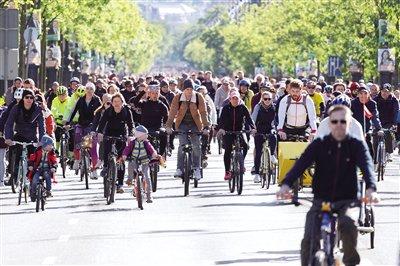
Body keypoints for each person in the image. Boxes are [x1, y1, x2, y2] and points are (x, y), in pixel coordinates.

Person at [277, 105, 379, 266]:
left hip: (348, 201)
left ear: (349, 123)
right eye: (335, 121)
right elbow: (301, 164)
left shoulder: (356, 145)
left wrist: (371, 189)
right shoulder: (319, 144)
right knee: (309, 240)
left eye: (343, 121)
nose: (339, 124)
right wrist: (286, 185)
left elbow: (367, 166)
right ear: (329, 123)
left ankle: (351, 262)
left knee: (348, 224)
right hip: (321, 201)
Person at [165, 79, 210, 180]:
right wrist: (168, 126)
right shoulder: (178, 98)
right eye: (187, 89)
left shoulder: (199, 97)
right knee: (182, 144)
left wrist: (206, 126)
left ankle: (196, 168)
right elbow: (172, 113)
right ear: (183, 90)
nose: (189, 91)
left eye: (191, 89)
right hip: (182, 123)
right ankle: (179, 169)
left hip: (195, 123)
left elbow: (203, 112)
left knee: (196, 145)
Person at [4, 89, 45, 183]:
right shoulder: (16, 108)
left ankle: (34, 180)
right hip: (19, 136)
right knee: (14, 153)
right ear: (23, 98)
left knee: (34, 159)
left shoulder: (38, 109)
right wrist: (8, 138)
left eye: (31, 97)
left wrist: (41, 140)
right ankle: (13, 176)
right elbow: (9, 124)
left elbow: (42, 126)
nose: (29, 99)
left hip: (32, 138)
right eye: (27, 97)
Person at [97, 93, 134, 193]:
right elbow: (102, 123)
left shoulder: (126, 111)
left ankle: (120, 184)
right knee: (107, 148)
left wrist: (130, 135)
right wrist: (100, 133)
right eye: (114, 102)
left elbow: (131, 124)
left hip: (122, 134)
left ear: (122, 102)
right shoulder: (108, 111)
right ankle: (105, 167)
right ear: (112, 103)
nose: (116, 104)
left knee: (121, 160)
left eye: (118, 101)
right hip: (109, 132)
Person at [217, 90, 256, 180]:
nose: (235, 100)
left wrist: (253, 128)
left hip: (239, 131)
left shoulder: (243, 107)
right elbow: (221, 120)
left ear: (239, 99)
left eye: (236, 98)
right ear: (230, 99)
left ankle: (241, 162)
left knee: (246, 146)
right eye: (233, 98)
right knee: (228, 149)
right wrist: (221, 128)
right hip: (228, 131)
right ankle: (227, 171)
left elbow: (249, 119)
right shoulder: (226, 108)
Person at [66, 82, 101, 178]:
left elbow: (101, 112)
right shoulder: (81, 100)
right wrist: (68, 122)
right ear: (85, 90)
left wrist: (99, 126)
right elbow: (73, 111)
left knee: (92, 148)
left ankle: (94, 170)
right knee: (77, 138)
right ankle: (77, 160)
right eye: (88, 88)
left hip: (92, 126)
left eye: (91, 89)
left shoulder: (97, 100)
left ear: (94, 91)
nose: (89, 91)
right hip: (81, 124)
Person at [121, 125, 161, 203]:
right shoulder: (132, 142)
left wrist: (154, 155)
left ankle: (149, 196)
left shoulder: (146, 142)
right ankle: (130, 178)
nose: (147, 136)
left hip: (145, 161)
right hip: (134, 160)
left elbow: (151, 149)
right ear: (140, 135)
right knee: (130, 166)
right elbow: (127, 149)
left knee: (147, 178)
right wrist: (124, 156)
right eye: (145, 135)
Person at [131, 80, 169, 156]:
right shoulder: (144, 103)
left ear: (159, 94)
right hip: (145, 128)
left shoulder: (162, 105)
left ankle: (160, 155)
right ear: (149, 94)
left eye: (156, 93)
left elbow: (166, 117)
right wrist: (143, 91)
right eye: (152, 93)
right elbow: (135, 102)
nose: (154, 95)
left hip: (157, 128)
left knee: (164, 133)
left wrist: (166, 126)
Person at [350, 84, 383, 158]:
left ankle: (370, 163)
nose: (363, 96)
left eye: (365, 93)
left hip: (367, 128)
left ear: (368, 94)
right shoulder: (352, 103)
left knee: (369, 143)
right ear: (357, 94)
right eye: (361, 93)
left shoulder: (372, 103)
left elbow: (375, 117)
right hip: (355, 128)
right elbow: (348, 116)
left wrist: (379, 128)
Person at [251, 91, 277, 183]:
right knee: (258, 152)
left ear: (272, 99)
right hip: (259, 130)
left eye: (269, 99)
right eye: (265, 99)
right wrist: (253, 129)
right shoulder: (258, 107)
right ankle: (257, 174)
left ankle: (272, 155)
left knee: (273, 136)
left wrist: (275, 128)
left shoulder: (274, 107)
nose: (267, 100)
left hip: (270, 128)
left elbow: (276, 119)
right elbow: (252, 119)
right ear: (262, 99)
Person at [373, 83, 399, 159]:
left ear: (390, 92)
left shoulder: (394, 100)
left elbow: (396, 112)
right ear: (380, 91)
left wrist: (394, 124)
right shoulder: (375, 100)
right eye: (383, 91)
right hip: (377, 122)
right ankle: (375, 157)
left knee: (388, 134)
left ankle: (389, 152)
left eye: (387, 91)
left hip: (389, 122)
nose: (385, 93)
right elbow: (372, 112)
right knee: (375, 137)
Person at [28, 135, 57, 200]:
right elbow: (32, 159)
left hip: (47, 169)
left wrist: (54, 167)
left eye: (52, 145)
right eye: (50, 145)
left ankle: (48, 191)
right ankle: (33, 192)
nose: (51, 147)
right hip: (38, 169)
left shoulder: (51, 153)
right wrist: (31, 166)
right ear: (45, 145)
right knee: (35, 179)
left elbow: (54, 161)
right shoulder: (38, 151)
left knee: (47, 177)